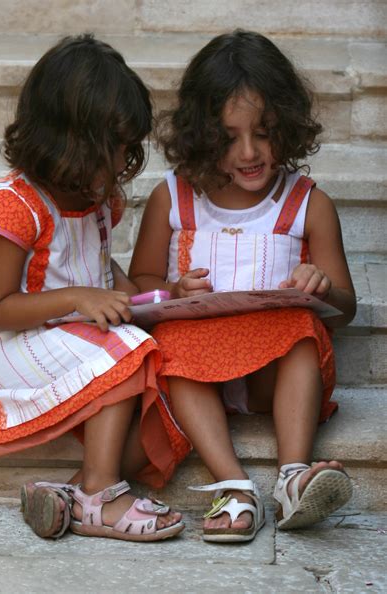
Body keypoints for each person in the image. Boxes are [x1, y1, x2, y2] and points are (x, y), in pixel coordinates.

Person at [0, 34, 188, 542]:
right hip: (13, 341)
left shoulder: (96, 199)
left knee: (166, 385)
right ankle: (102, 493)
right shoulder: (16, 205)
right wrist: (80, 300)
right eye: (118, 148)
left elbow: (107, 278)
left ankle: (73, 493)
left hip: (69, 331)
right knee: (128, 353)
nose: (126, 161)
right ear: (71, 141)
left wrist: (166, 294)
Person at [129, 30, 356, 543]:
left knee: (300, 326)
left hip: (273, 380)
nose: (249, 152)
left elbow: (345, 309)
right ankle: (232, 486)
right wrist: (172, 289)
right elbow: (138, 280)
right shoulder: (174, 199)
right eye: (229, 137)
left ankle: (294, 477)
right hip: (195, 378)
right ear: (201, 135)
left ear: (289, 124)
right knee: (170, 343)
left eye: (265, 132)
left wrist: (321, 290)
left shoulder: (307, 203)